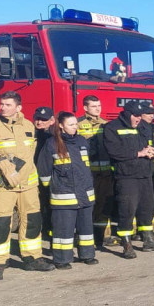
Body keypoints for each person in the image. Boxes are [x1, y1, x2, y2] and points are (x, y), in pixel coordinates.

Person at [0, 91, 54, 280]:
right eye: (2, 104)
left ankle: (32, 258)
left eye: (8, 105)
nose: (2, 108)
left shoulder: (28, 126)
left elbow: (30, 155)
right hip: (1, 187)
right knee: (0, 224)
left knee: (32, 222)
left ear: (18, 108)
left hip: (28, 187)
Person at [37, 111, 97, 269]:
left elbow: (86, 166)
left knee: (86, 229)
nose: (75, 127)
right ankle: (62, 259)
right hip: (63, 196)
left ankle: (87, 255)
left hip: (85, 194)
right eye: (71, 125)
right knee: (63, 231)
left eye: (76, 124)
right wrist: (52, 188)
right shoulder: (52, 144)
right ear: (61, 126)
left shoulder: (82, 141)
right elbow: (44, 171)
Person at [104, 100, 154, 258]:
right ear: (127, 114)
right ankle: (126, 243)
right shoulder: (112, 128)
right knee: (127, 210)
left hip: (145, 174)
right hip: (126, 176)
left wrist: (153, 150)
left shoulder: (144, 126)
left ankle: (149, 240)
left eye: (139, 116)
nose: (138, 119)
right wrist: (139, 153)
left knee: (148, 208)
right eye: (135, 116)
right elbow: (114, 151)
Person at [77, 95, 116, 250]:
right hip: (88, 173)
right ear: (85, 108)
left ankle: (103, 236)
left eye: (99, 105)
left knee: (103, 203)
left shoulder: (106, 125)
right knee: (88, 206)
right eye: (94, 106)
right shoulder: (78, 124)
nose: (98, 109)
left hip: (105, 172)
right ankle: (85, 236)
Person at [33, 106, 56, 230]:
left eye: (44, 119)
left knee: (50, 203)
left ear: (52, 120)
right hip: (33, 175)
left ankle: (50, 229)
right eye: (37, 119)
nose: (39, 122)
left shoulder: (55, 136)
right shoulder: (30, 134)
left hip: (51, 175)